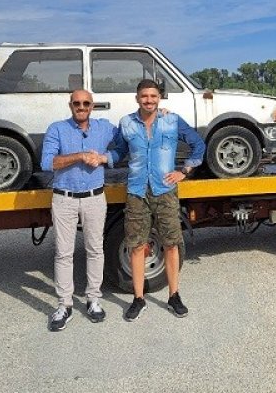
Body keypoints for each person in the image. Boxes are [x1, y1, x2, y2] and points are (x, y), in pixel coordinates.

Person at [109, 79, 205, 321]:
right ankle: (138, 299)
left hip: (165, 190)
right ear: (137, 98)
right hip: (137, 192)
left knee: (172, 243)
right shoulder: (127, 123)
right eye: (144, 96)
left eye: (153, 96)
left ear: (159, 98)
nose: (148, 100)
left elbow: (198, 144)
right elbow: (119, 151)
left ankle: (174, 296)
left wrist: (184, 171)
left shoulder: (171, 120)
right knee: (137, 245)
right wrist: (102, 158)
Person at [41, 89, 116, 331]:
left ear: (92, 106)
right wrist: (80, 156)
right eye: (77, 103)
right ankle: (64, 304)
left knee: (95, 249)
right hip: (65, 199)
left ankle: (93, 299)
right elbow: (47, 163)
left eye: (86, 103)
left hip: (95, 198)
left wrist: (105, 158)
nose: (81, 106)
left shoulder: (105, 128)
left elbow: (127, 142)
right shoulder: (57, 129)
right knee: (63, 253)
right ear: (70, 105)